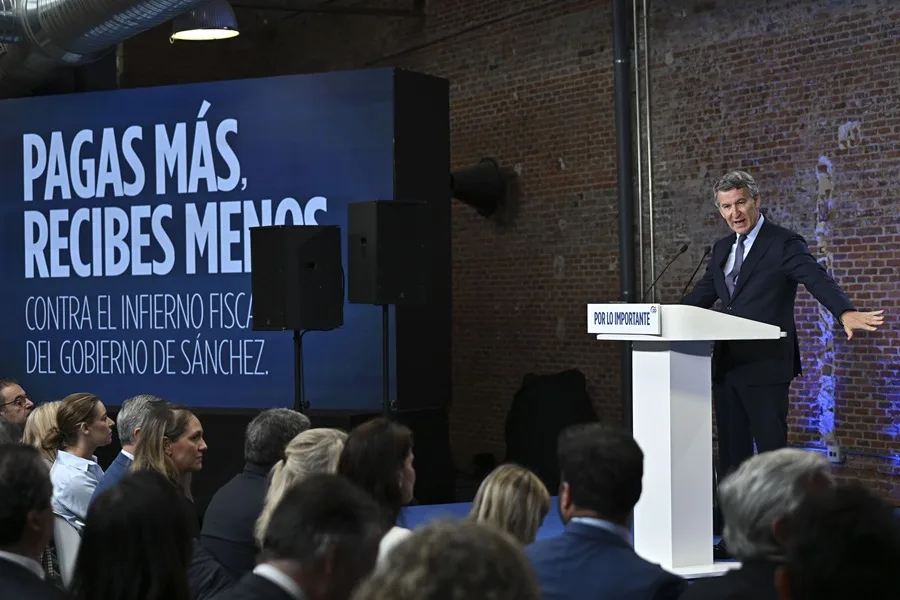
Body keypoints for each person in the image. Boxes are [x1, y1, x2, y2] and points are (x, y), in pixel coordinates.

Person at [682, 170, 883, 478]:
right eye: (726, 206)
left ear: (756, 201)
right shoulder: (722, 249)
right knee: (731, 456)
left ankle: (777, 509)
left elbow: (815, 277)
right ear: (720, 210)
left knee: (772, 458)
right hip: (727, 366)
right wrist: (664, 316)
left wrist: (844, 312)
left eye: (741, 202)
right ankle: (734, 510)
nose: (735, 213)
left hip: (766, 365)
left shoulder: (783, 242)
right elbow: (702, 295)